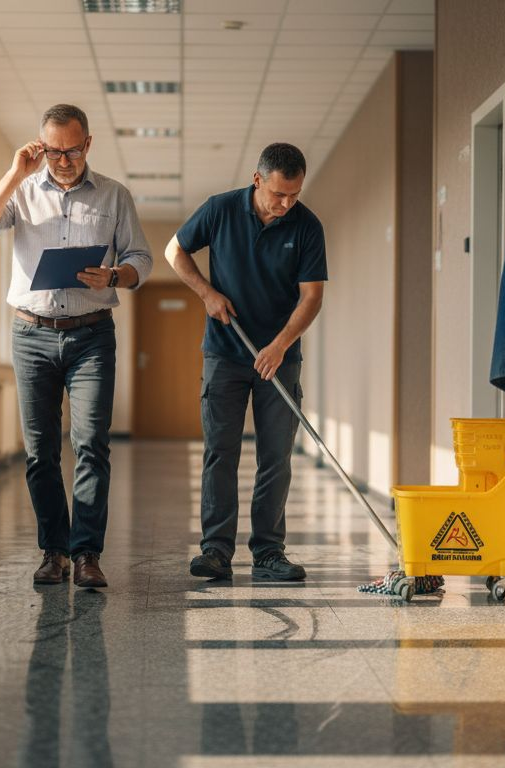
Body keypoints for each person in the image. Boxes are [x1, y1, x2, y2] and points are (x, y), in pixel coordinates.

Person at [0, 104, 151, 589]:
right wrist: (13, 173)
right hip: (31, 334)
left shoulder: (115, 195)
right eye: (52, 150)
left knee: (90, 445)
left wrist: (114, 274)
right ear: (40, 145)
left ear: (87, 144)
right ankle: (55, 551)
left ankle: (87, 553)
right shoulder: (22, 192)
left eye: (70, 150)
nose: (62, 160)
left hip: (92, 334)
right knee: (41, 450)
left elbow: (141, 259)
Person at [164, 143, 327, 582]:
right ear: (258, 180)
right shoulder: (219, 211)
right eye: (278, 194)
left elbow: (312, 296)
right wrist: (206, 293)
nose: (286, 204)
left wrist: (279, 345)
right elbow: (173, 252)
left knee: (276, 456)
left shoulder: (307, 226)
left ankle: (268, 552)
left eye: (294, 194)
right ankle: (216, 550)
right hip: (225, 352)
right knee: (222, 451)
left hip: (280, 358)